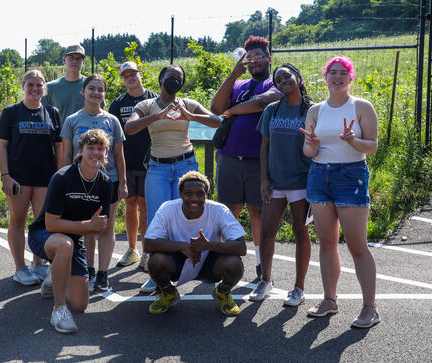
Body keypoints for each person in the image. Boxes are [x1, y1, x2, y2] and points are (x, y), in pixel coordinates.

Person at [124, 64, 221, 293]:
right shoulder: (146, 105)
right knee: (158, 220)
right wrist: (156, 116)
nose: (174, 81)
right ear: (161, 79)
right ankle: (156, 273)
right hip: (158, 168)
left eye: (178, 78)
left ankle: (193, 266)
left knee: (188, 214)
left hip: (185, 166)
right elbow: (129, 128)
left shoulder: (187, 103)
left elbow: (216, 121)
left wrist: (190, 115)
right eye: (170, 77)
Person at [300, 56, 380, 328]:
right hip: (319, 175)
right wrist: (311, 144)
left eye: (342, 73)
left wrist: (352, 140)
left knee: (357, 246)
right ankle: (329, 300)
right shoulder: (315, 110)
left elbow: (372, 147)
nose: (336, 76)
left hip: (351, 175)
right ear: (325, 77)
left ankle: (370, 308)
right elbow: (308, 152)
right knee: (327, 242)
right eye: (331, 72)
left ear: (350, 78)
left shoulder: (361, 107)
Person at [27, 129, 113, 334]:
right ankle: (58, 310)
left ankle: (54, 275)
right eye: (90, 148)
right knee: (65, 245)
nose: (96, 153)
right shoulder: (63, 177)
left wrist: (94, 227)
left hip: (74, 239)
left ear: (106, 154)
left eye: (101, 149)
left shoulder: (106, 183)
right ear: (80, 151)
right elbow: (51, 224)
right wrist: (86, 227)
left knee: (80, 303)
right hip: (44, 236)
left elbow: (97, 227)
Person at [210, 36, 282, 280]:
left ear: (269, 58)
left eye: (259, 57)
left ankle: (262, 264)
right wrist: (233, 74)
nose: (254, 62)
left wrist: (232, 111)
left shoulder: (277, 81)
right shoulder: (238, 85)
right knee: (228, 210)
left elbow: (263, 103)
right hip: (229, 157)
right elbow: (216, 107)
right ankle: (222, 259)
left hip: (259, 160)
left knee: (257, 211)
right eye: (249, 59)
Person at [251, 64, 313, 305]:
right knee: (267, 232)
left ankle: (298, 288)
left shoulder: (311, 110)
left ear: (298, 77)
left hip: (301, 182)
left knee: (301, 232)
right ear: (275, 85)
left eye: (287, 75)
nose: (283, 80)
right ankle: (265, 281)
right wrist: (264, 179)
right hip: (275, 183)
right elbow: (264, 147)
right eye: (278, 78)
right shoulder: (271, 110)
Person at [144, 171, 246, 316]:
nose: (194, 198)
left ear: (206, 195)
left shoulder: (219, 210)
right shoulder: (167, 209)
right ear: (180, 195)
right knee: (155, 261)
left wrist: (207, 245)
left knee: (234, 263)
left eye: (200, 193)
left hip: (210, 262)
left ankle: (222, 293)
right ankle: (168, 293)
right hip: (177, 261)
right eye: (188, 193)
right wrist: (183, 246)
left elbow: (241, 247)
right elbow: (148, 244)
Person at [60, 74, 127, 292]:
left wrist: (122, 183)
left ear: (104, 94)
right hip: (80, 183)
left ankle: (103, 274)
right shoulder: (72, 120)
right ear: (83, 91)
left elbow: (118, 154)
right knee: (88, 228)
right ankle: (88, 270)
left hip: (108, 182)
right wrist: (62, 180)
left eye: (100, 89)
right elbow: (67, 154)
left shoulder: (112, 120)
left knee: (106, 228)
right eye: (92, 88)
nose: (96, 93)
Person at [0, 70, 61, 286]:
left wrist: (58, 177)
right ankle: (20, 268)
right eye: (30, 84)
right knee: (17, 221)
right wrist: (5, 176)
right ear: (23, 86)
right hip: (18, 179)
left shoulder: (53, 112)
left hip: (45, 179)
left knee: (41, 224)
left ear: (45, 88)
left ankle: (38, 263)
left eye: (39, 85)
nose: (34, 89)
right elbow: (2, 146)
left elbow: (59, 148)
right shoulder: (11, 112)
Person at [108, 61, 157, 269]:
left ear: (140, 74)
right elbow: (112, 134)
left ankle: (146, 252)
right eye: (125, 75)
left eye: (133, 73)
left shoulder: (154, 99)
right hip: (126, 162)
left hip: (150, 162)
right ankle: (132, 250)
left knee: (145, 207)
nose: (130, 77)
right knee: (130, 205)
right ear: (122, 79)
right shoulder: (118, 103)